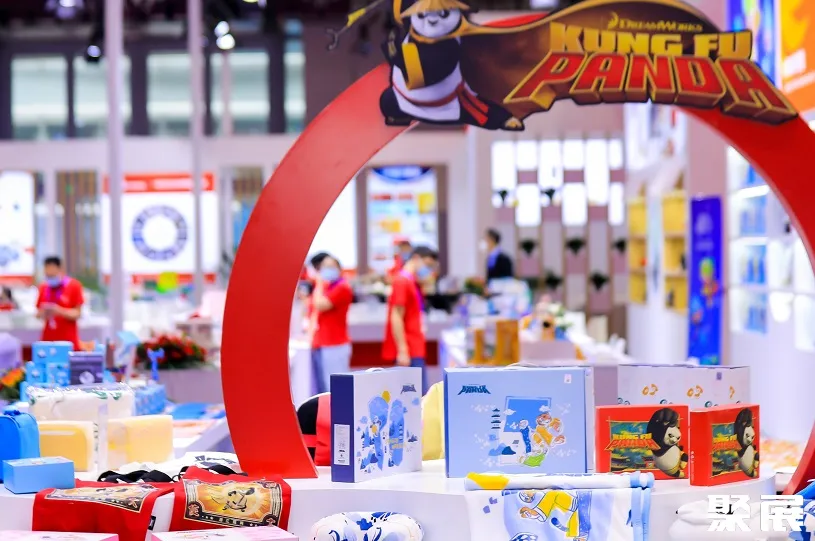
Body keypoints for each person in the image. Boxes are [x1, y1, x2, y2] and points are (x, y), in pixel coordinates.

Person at [383, 246, 438, 393]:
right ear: (416, 259)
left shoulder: (412, 282)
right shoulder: (402, 281)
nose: (428, 270)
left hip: (415, 346)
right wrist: (402, 349)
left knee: (418, 395)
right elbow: (396, 316)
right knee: (414, 396)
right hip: (409, 348)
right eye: (427, 265)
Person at [309, 253, 354, 394]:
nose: (327, 270)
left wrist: (319, 284)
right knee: (326, 389)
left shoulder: (342, 287)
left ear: (339, 269)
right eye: (324, 267)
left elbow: (320, 305)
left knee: (336, 390)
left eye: (330, 266)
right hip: (324, 343)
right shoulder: (329, 287)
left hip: (336, 345)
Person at [36, 256, 84, 350]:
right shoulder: (44, 287)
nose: (50, 278)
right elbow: (38, 313)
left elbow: (77, 313)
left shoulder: (74, 286)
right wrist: (44, 312)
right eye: (48, 275)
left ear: (60, 270)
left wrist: (59, 311)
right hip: (48, 340)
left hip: (68, 340)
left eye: (53, 275)